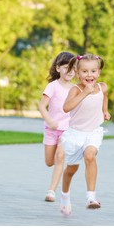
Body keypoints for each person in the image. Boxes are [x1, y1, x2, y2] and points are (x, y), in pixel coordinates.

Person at [59, 53, 110, 216]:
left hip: (93, 132)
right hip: (75, 135)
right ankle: (64, 195)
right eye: (85, 72)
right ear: (77, 72)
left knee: (90, 155)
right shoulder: (76, 89)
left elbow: (104, 98)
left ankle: (91, 197)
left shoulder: (103, 87)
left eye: (93, 71)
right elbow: (66, 108)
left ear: (99, 72)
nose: (90, 75)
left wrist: (105, 111)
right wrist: (85, 92)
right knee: (71, 170)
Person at [38, 51, 75, 202]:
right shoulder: (52, 86)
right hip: (51, 129)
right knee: (49, 161)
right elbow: (41, 107)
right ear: (58, 68)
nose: (70, 71)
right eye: (66, 67)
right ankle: (56, 167)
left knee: (60, 157)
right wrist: (50, 120)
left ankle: (51, 191)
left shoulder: (75, 89)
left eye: (73, 68)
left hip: (67, 130)